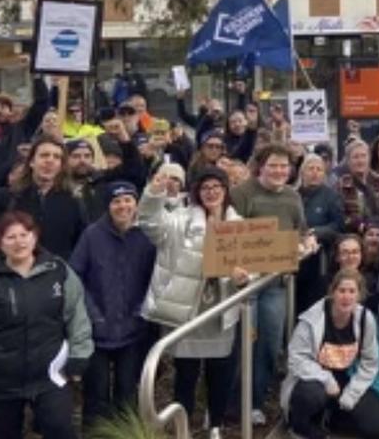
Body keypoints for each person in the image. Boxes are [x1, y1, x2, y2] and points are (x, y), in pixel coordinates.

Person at [0, 211, 94, 439]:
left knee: (60, 429)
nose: (19, 242)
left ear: (35, 237)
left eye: (24, 235)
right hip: (1, 380)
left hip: (50, 374)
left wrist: (80, 354)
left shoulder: (59, 272)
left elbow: (77, 316)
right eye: (11, 237)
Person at [139, 167, 249, 439]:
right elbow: (149, 223)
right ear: (198, 192)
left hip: (221, 310)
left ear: (226, 190)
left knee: (220, 373)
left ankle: (215, 427)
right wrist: (154, 193)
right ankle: (183, 428)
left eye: (217, 186)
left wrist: (242, 278)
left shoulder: (241, 224)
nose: (211, 192)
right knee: (186, 375)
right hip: (188, 309)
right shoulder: (179, 220)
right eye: (205, 187)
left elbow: (253, 266)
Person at [233, 143, 313, 424]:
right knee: (243, 344)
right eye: (273, 165)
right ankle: (231, 404)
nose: (279, 171)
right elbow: (230, 236)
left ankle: (254, 401)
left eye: (284, 166)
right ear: (261, 166)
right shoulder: (242, 193)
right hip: (247, 286)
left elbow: (301, 231)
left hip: (277, 283)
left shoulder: (293, 196)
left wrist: (307, 243)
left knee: (270, 344)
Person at [68, 181, 157, 429]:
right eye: (117, 201)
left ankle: (125, 432)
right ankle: (96, 433)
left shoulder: (147, 235)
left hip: (133, 327)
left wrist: (142, 311)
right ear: (108, 206)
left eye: (128, 200)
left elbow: (155, 279)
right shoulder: (92, 234)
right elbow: (75, 276)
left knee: (127, 390)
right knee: (96, 393)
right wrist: (92, 314)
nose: (123, 206)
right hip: (96, 329)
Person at [280, 268, 379, 439]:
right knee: (310, 396)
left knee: (377, 430)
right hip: (315, 381)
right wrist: (326, 378)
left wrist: (352, 393)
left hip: (348, 377)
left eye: (352, 291)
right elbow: (296, 359)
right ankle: (299, 426)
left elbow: (370, 362)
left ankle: (331, 417)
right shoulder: (311, 320)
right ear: (332, 292)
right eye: (342, 291)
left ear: (359, 295)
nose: (346, 297)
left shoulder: (365, 319)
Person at [2, 137, 87, 259]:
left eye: (56, 157)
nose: (50, 161)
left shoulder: (73, 201)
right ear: (31, 162)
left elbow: (81, 243)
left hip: (60, 271)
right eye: (44, 155)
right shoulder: (11, 198)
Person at [0, 81, 50, 187]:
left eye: (3, 107)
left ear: (11, 111)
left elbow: (42, 104)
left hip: (20, 189)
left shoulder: (22, 129)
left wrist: (37, 78)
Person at [298, 153, 345, 312]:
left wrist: (316, 232)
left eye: (319, 169)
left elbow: (338, 226)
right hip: (295, 257)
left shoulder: (331, 197)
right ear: (302, 172)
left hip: (319, 259)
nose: (315, 172)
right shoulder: (293, 194)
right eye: (311, 168)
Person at [335, 139, 379, 232]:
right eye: (355, 157)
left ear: (369, 158)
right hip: (354, 233)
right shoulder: (341, 184)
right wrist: (360, 226)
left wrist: (378, 225)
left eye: (363, 156)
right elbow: (341, 216)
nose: (360, 161)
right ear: (348, 161)